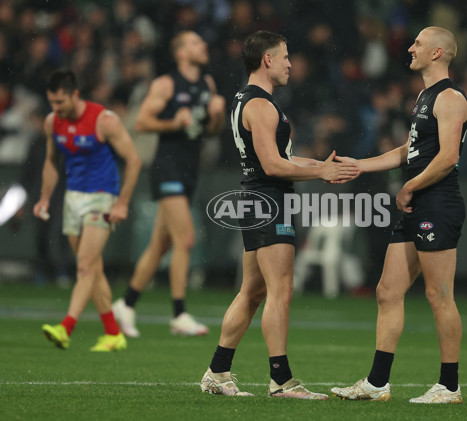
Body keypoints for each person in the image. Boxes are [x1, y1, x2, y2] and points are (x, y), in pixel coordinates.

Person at [200, 30, 357, 399]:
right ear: (267, 60)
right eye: (285, 56)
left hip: (256, 199)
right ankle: (281, 381)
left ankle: (218, 371)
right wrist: (320, 172)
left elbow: (278, 160)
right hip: (269, 201)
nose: (290, 63)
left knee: (252, 292)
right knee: (280, 290)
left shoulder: (248, 100)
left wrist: (322, 165)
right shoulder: (261, 105)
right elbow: (272, 166)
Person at [330, 27, 467, 404]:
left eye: (419, 44)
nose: (410, 48)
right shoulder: (424, 96)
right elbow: (408, 150)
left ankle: (450, 386)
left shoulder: (451, 97)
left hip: (437, 202)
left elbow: (448, 157)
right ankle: (377, 384)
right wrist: (361, 165)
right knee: (388, 291)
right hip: (418, 203)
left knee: (439, 294)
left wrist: (409, 186)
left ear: (438, 52)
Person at [112, 31, 226, 337]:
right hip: (167, 168)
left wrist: (216, 116)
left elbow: (211, 132)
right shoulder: (166, 83)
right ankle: (179, 314)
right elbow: (141, 122)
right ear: (181, 53)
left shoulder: (208, 85)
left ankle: (126, 304)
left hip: (189, 171)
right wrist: (173, 122)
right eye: (195, 42)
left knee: (160, 244)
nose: (203, 45)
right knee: (185, 239)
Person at [34, 69, 142, 351]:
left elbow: (133, 160)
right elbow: (50, 161)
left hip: (102, 197)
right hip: (73, 198)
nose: (55, 109)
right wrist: (44, 198)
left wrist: (122, 203)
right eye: (51, 103)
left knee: (84, 265)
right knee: (92, 267)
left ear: (75, 95)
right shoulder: (52, 122)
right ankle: (113, 333)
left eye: (60, 102)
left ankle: (66, 327)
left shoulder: (104, 120)